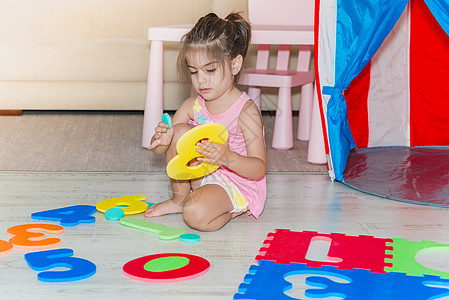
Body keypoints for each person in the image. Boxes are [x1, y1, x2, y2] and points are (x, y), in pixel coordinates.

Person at [145, 12, 266, 232]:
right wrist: (161, 139)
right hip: (203, 175)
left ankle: (232, 210)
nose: (201, 80)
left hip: (236, 182)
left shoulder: (246, 112)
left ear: (235, 65)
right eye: (194, 71)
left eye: (210, 70)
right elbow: (164, 149)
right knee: (179, 130)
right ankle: (179, 199)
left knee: (195, 214)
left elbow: (259, 168)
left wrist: (228, 158)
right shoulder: (194, 105)